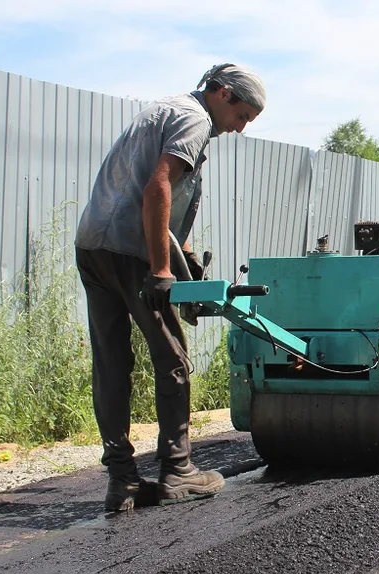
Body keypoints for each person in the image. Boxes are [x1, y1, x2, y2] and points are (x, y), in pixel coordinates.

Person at [73, 63, 266, 512]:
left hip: (93, 245)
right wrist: (162, 269)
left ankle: (121, 480)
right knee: (172, 358)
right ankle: (178, 470)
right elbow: (158, 186)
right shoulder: (196, 120)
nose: (239, 129)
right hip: (130, 252)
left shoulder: (166, 109)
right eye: (242, 117)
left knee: (111, 361)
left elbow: (163, 196)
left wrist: (184, 253)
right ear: (222, 94)